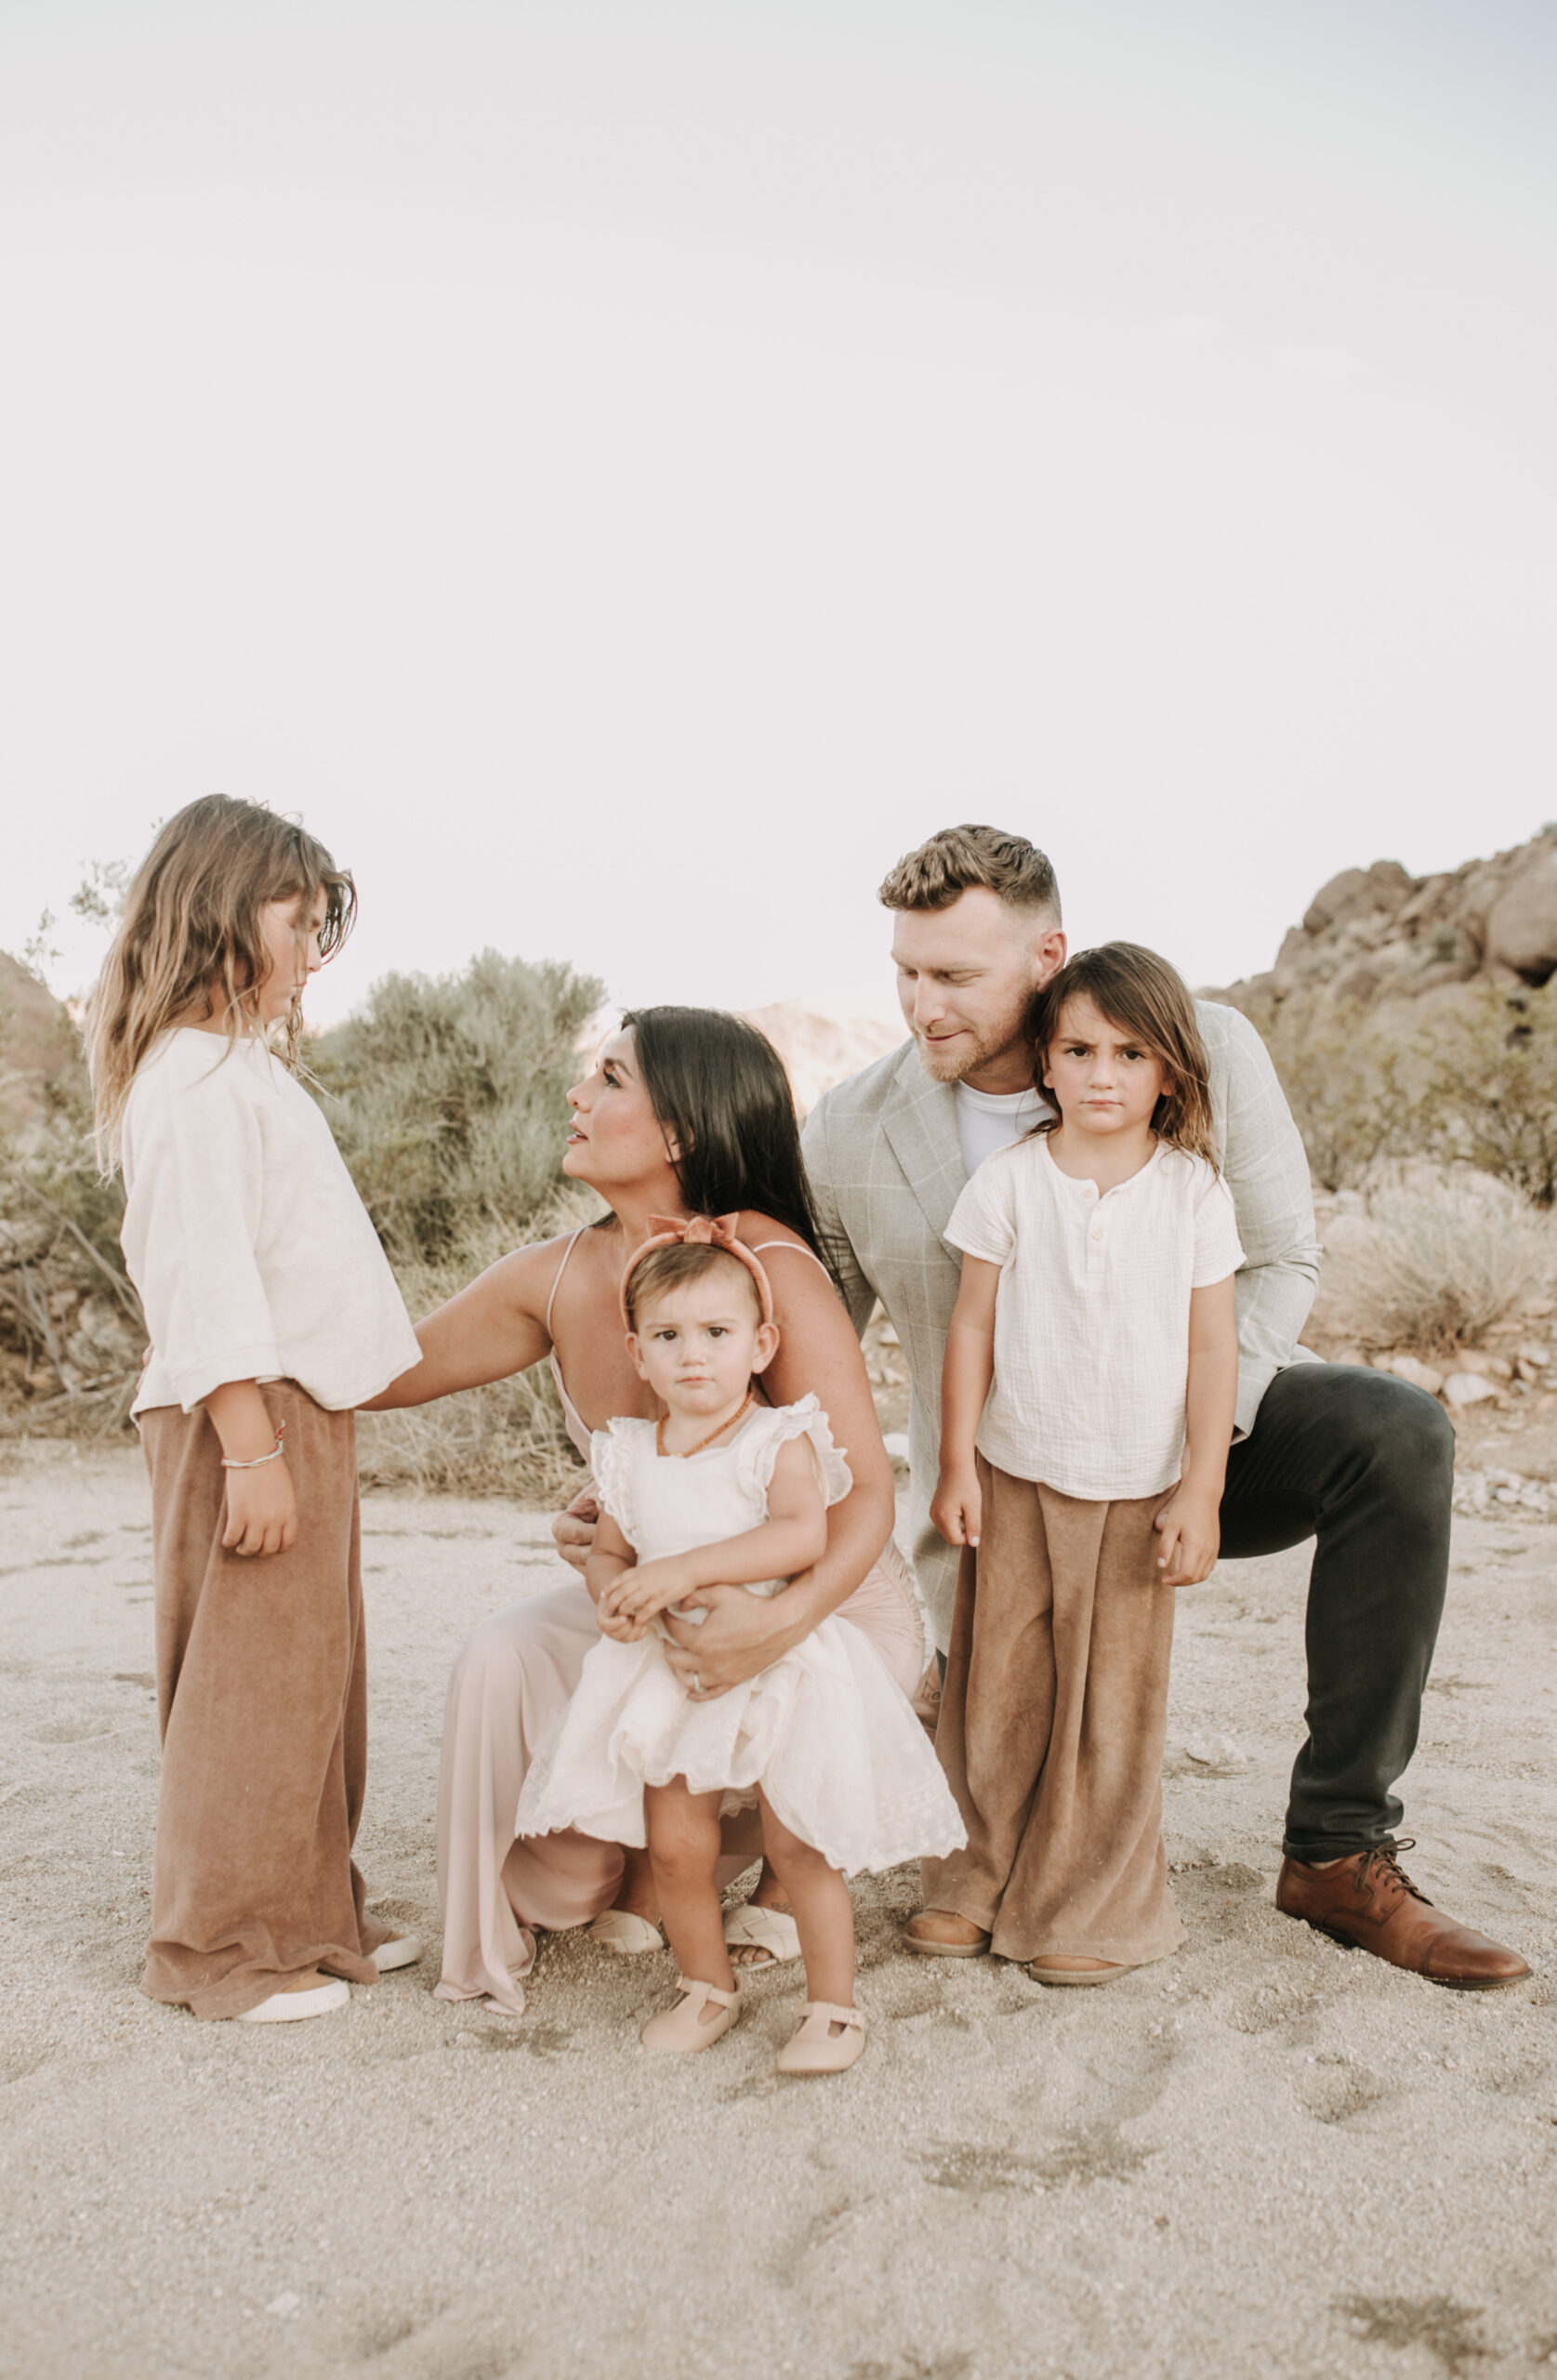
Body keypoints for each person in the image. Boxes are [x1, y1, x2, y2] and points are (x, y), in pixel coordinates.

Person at [804, 825, 1530, 1989]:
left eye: (954, 976)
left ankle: (1338, 1852)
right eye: (906, 970)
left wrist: (1183, 1448)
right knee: (1005, 1716)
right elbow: (812, 1340)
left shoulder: (1201, 1045)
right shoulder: (849, 1128)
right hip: (1005, 1489)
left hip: (1189, 1441)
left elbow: (1284, 1260)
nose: (919, 1005)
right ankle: (975, 1855)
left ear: (1049, 956)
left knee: (1399, 1434)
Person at [368, 1008, 928, 2013]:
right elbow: (388, 1369)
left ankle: (750, 1861)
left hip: (821, 1594)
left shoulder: (765, 1269)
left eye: (610, 1078)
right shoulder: (562, 1272)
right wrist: (237, 1354)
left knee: (783, 1697)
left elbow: (868, 1495)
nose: (578, 1096)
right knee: (500, 1649)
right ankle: (489, 1942)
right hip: (662, 1592)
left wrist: (777, 1623)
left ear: (680, 1133)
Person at [89, 795, 425, 2023]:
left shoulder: (236, 1068)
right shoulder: (189, 1081)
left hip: (291, 1407)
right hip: (246, 1412)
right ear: (225, 914)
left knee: (307, 1677)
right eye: (299, 917)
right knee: (249, 1685)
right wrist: (252, 1445)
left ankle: (306, 1913)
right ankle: (219, 1952)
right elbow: (202, 1270)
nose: (313, 946)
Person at [518, 1221, 962, 2069]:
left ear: (760, 1345)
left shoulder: (777, 1439)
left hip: (779, 1666)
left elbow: (800, 1537)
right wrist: (613, 1597)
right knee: (679, 1845)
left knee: (797, 1843)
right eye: (669, 1336)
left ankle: (833, 2006)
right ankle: (705, 1985)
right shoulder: (630, 1452)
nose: (694, 1356)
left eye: (716, 1334)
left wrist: (681, 1567)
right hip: (673, 1673)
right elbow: (612, 1550)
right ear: (636, 1351)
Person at [924, 945, 1241, 1979]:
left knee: (1114, 1699)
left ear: (1170, 1072)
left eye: (1130, 1051)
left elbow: (1211, 1347)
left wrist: (1202, 1486)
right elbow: (970, 1328)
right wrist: (958, 1464)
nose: (1103, 1073)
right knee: (998, 1681)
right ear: (1046, 1064)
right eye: (1079, 1048)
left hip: (1139, 1487)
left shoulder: (1192, 1192)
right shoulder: (1010, 1181)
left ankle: (1084, 1906)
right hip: (1017, 1472)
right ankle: (975, 1873)